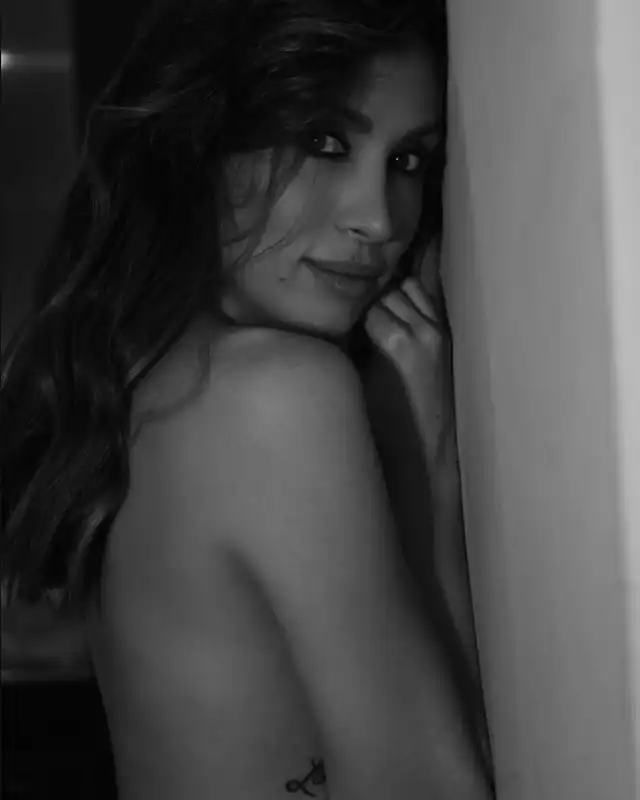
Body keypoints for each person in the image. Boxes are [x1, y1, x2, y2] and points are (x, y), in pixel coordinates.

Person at [1, 0, 495, 797]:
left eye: (409, 160)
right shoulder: (271, 396)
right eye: (324, 142)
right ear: (203, 143)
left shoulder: (150, 379)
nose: (378, 219)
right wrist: (427, 469)